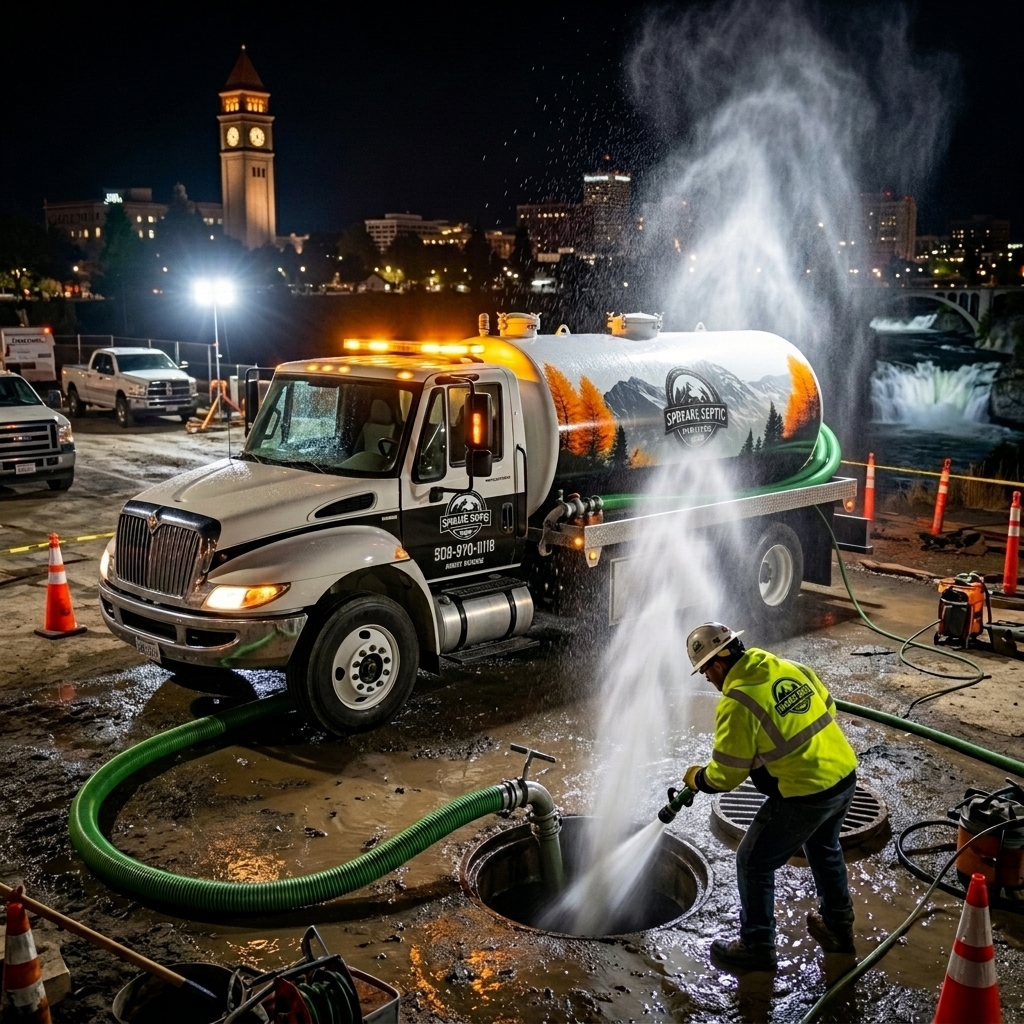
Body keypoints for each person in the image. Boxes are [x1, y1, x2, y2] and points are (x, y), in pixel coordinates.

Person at [683, 622, 859, 972]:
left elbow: (727, 775)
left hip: (806, 794)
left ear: (718, 664)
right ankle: (839, 930)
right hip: (843, 775)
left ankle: (757, 946)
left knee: (753, 861)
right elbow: (828, 706)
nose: (708, 679)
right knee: (824, 849)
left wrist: (697, 778)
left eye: (705, 672)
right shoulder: (784, 666)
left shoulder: (738, 703)